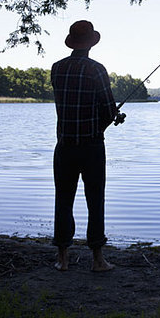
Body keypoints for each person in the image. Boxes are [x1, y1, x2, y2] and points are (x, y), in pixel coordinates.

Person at [51, 20, 124, 272]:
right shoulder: (97, 70)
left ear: (73, 42)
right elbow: (107, 108)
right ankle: (97, 259)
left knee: (63, 200)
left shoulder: (56, 69)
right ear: (91, 43)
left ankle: (62, 258)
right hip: (91, 147)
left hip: (64, 147)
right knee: (95, 200)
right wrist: (113, 117)